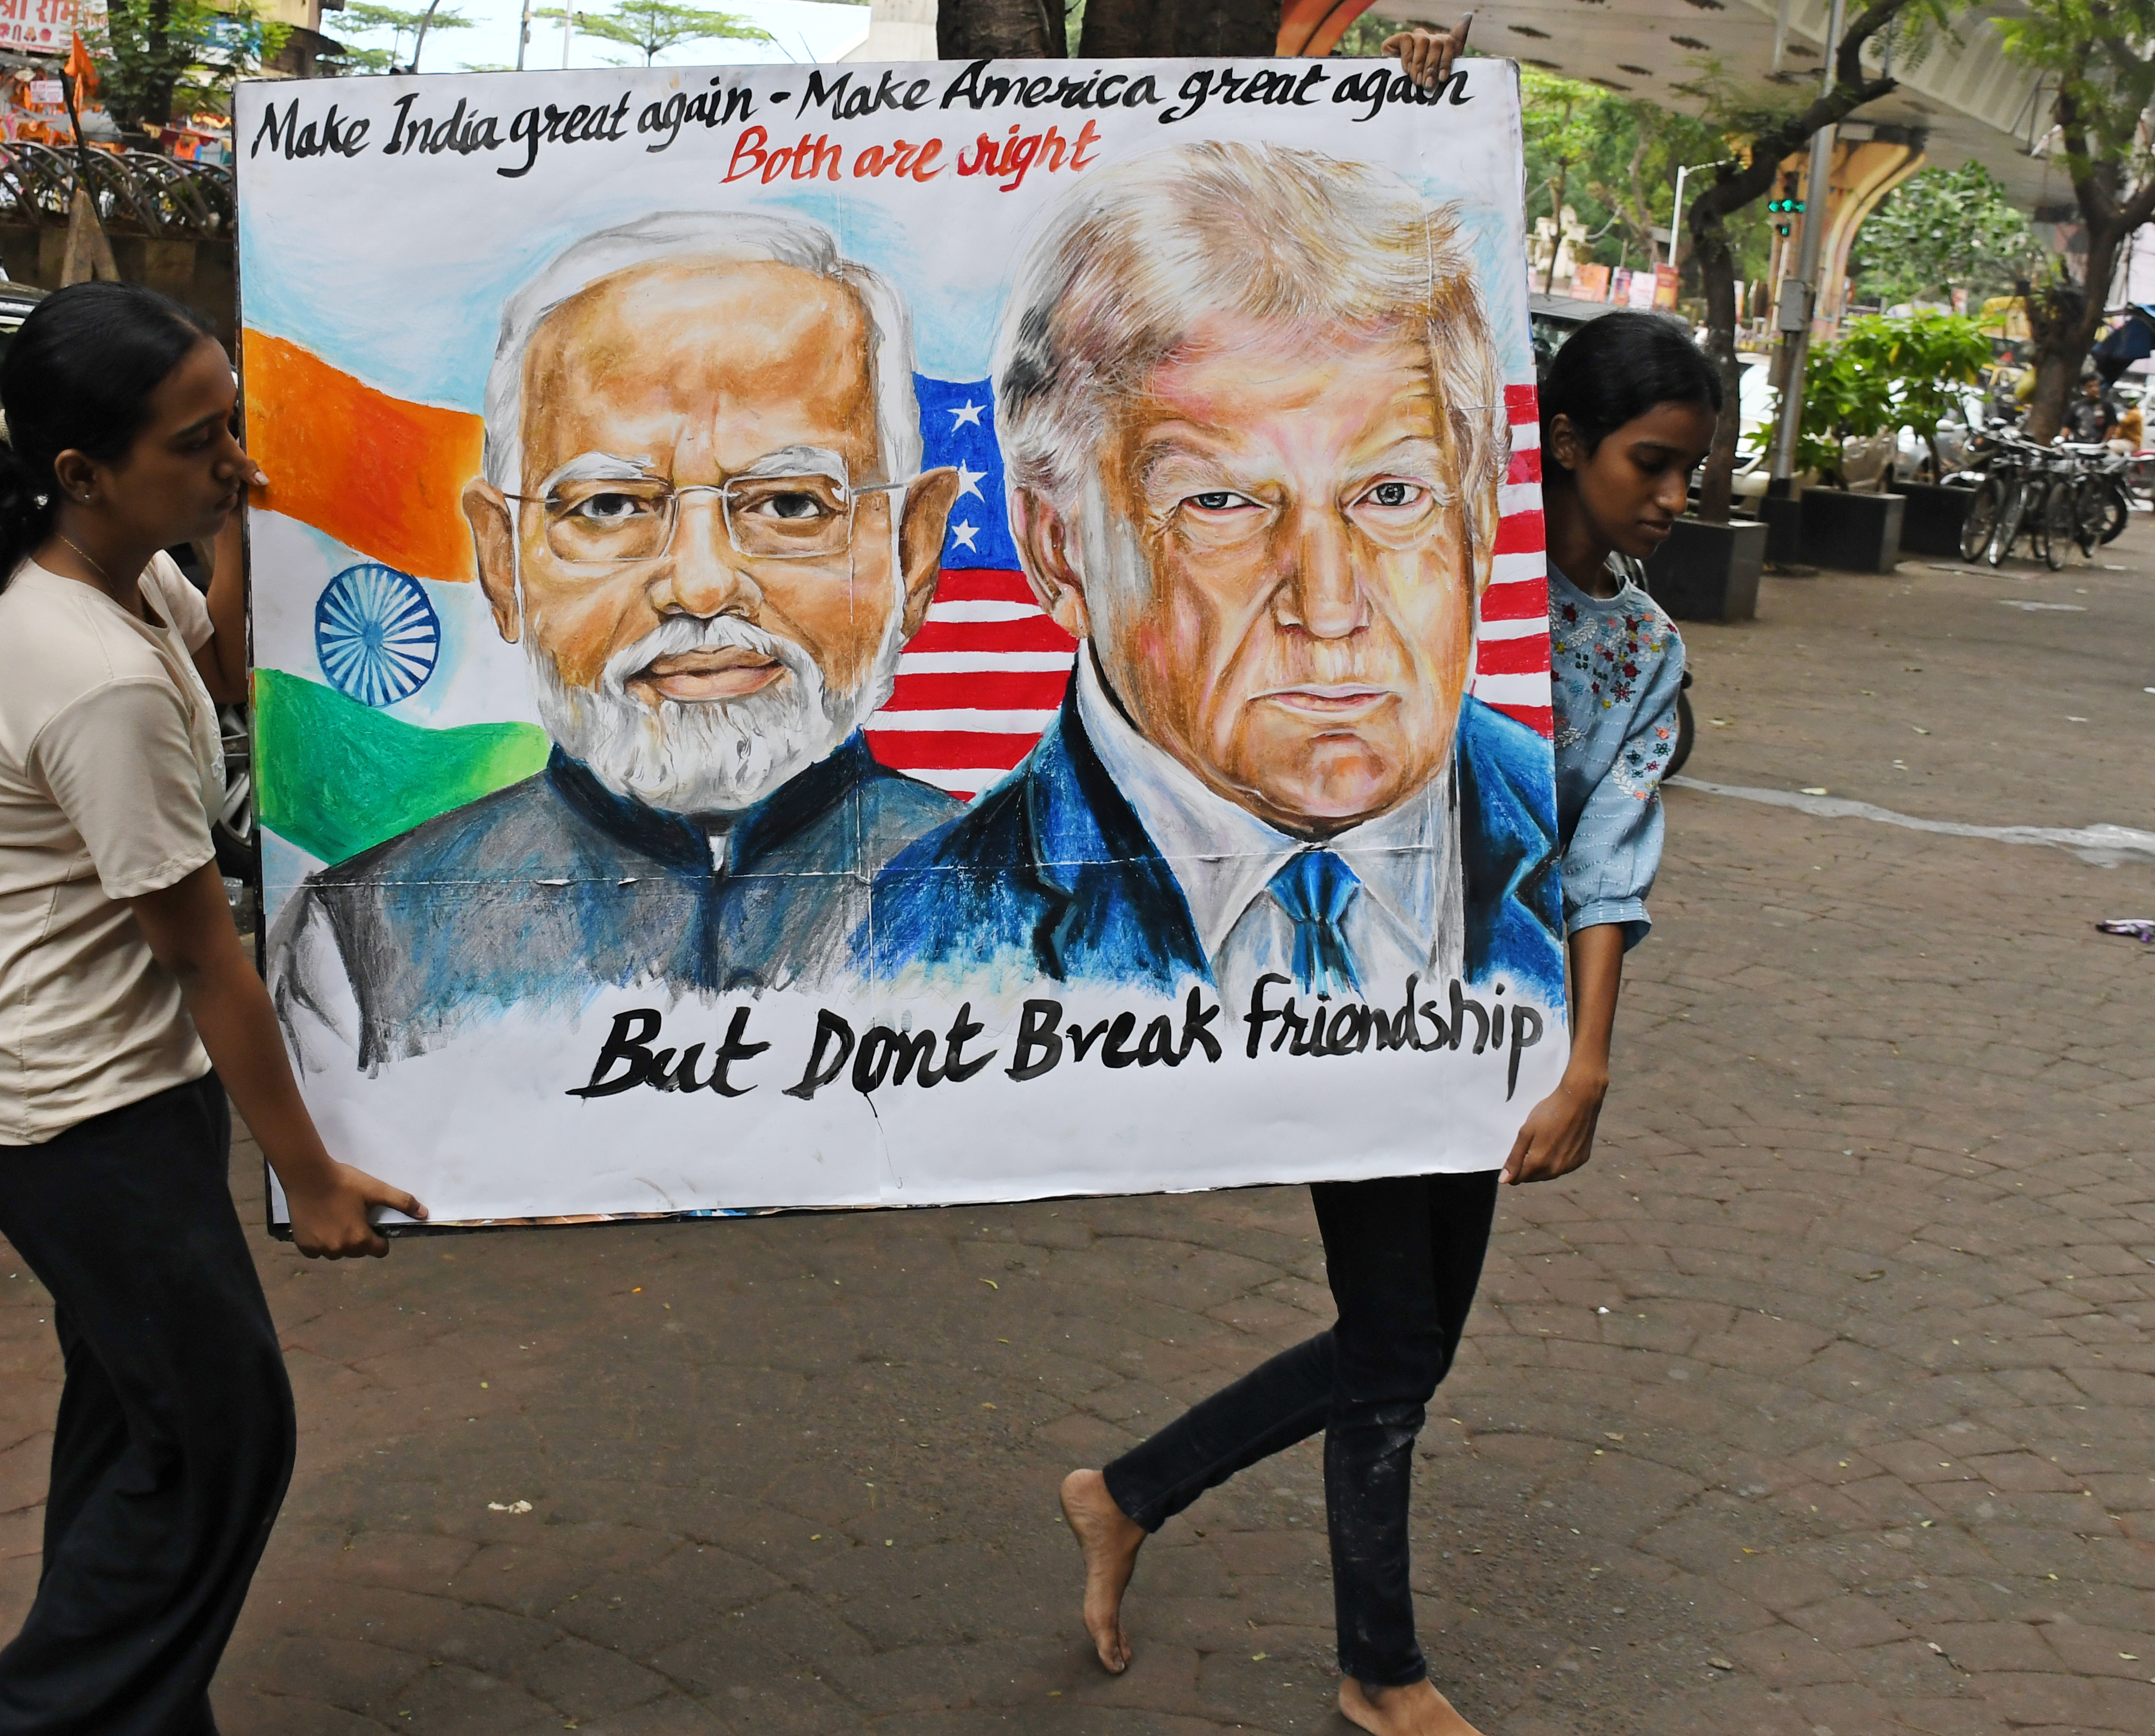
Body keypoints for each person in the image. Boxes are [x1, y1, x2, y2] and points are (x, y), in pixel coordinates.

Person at [1054, 310, 1716, 1736]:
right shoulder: (1438, 576)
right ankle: (1380, 1666)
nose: (1672, 498)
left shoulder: (1642, 652)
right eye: (1649, 465)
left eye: (1688, 474)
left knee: (1404, 1344)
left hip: (1498, 1023)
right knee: (1396, 1337)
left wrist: (1588, 1056)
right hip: (1357, 993)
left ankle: (1134, 1496)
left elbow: (1613, 854)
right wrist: (1393, 70)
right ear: (1569, 448)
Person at [0, 280, 428, 1735]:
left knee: (138, 1412)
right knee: (224, 1434)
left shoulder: (117, 574)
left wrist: (227, 528)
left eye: (236, 429)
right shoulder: (80, 672)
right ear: (81, 469)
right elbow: (211, 962)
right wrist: (309, 1174)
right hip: (74, 1107)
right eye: (202, 442)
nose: (235, 460)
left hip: (78, 1087)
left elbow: (211, 672)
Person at [864, 141, 1561, 1009]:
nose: (1330, 605)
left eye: (1392, 494)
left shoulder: (1565, 821)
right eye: (1223, 503)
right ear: (1059, 549)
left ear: (1482, 523)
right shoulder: (913, 942)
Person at [270, 211, 964, 1070]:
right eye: (608, 507)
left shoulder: (1047, 905)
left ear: (912, 551)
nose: (702, 585)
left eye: (790, 504)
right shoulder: (358, 944)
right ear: (501, 561)